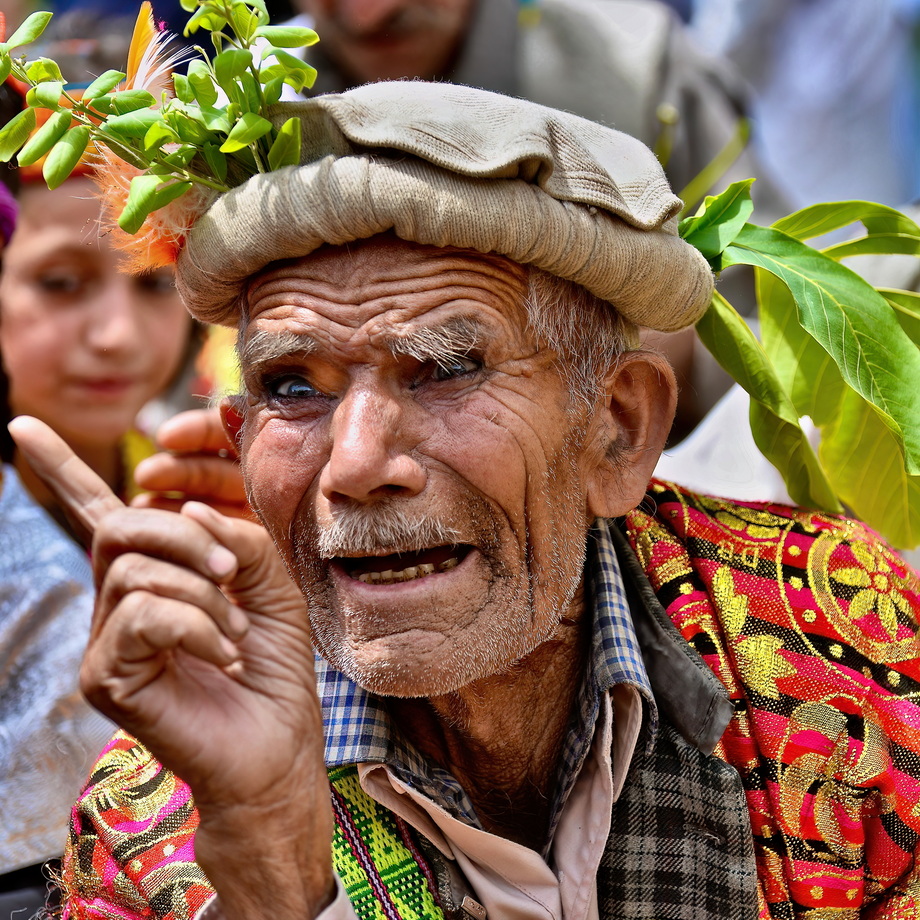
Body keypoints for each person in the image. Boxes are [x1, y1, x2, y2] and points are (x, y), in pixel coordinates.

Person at [12, 81, 920, 920]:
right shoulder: (162, 825)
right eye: (294, 387)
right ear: (239, 442)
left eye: (446, 368)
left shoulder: (844, 649)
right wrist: (275, 874)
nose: (357, 465)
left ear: (617, 427)